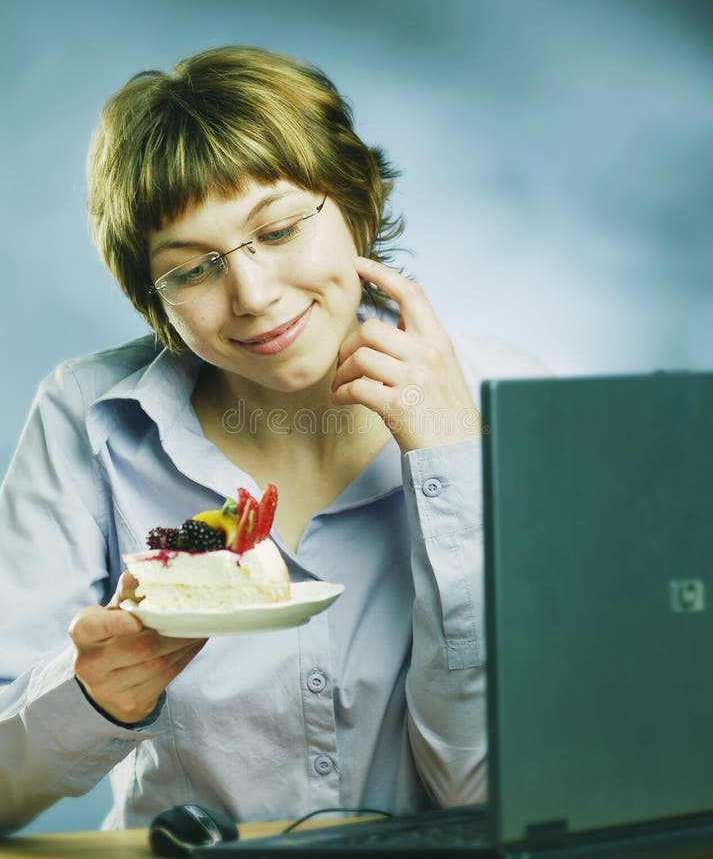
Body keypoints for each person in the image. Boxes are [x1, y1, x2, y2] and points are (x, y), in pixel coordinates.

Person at [0, 45, 543, 833]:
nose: (252, 296)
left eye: (281, 228)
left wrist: (451, 467)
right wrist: (87, 700)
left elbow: (494, 798)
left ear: (353, 206)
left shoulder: (509, 397)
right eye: (190, 271)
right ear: (155, 300)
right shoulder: (87, 416)